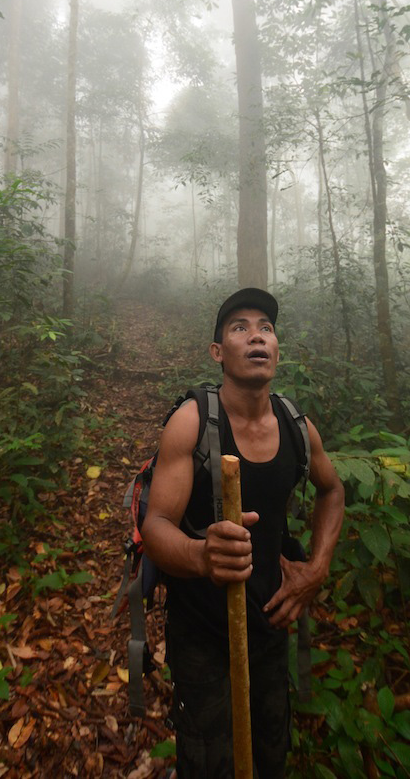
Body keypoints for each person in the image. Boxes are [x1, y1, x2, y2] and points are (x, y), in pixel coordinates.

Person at [141, 288, 345, 778]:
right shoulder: (192, 422)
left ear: (276, 349)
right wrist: (201, 556)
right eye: (240, 328)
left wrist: (316, 569)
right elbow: (155, 526)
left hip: (271, 626)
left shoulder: (297, 426)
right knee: (209, 760)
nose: (256, 335)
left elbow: (332, 491)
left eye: (266, 328)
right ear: (218, 353)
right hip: (203, 630)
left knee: (270, 752)